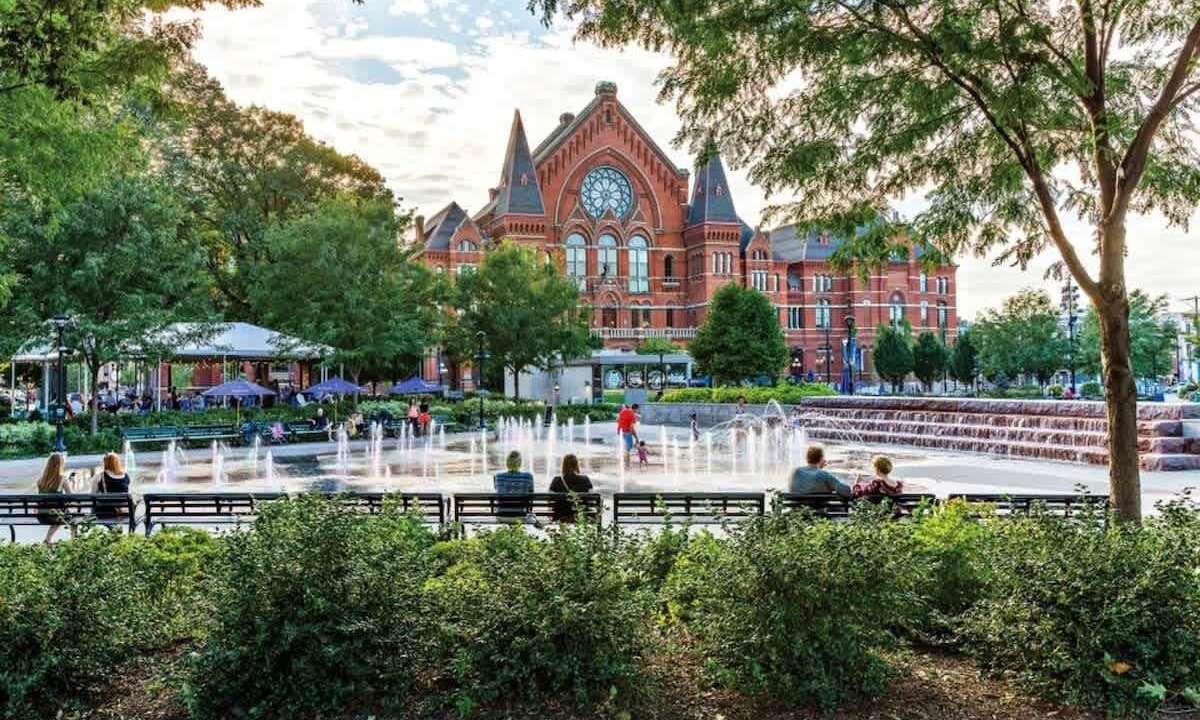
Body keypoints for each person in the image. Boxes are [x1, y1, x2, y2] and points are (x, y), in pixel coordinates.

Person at [36, 453, 74, 544]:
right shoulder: (63, 479)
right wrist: (72, 483)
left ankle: (48, 539)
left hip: (42, 515)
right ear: (60, 465)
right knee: (72, 520)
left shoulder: (40, 480)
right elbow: (71, 497)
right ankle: (74, 541)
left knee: (57, 513)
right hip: (56, 515)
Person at [788, 445, 852, 497]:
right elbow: (846, 491)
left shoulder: (794, 472)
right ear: (821, 459)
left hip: (796, 511)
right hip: (819, 511)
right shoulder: (823, 475)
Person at [549, 454, 593, 523]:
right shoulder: (585, 479)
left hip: (560, 515)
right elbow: (591, 498)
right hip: (580, 515)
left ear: (564, 465)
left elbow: (550, 498)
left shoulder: (556, 480)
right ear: (576, 465)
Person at [93, 452, 131, 520]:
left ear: (105, 463)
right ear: (117, 462)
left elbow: (92, 495)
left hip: (105, 512)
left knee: (94, 505)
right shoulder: (126, 476)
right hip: (124, 512)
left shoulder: (99, 476)